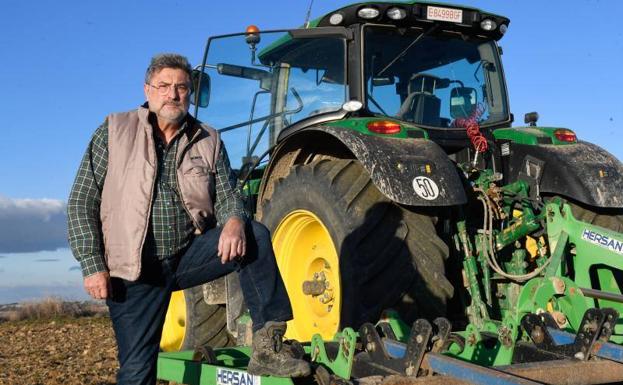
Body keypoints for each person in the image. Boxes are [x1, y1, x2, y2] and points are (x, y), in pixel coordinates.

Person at [67, 53, 310, 385]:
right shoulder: (114, 131)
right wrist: (92, 263)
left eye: (181, 87)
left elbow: (227, 195)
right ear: (148, 89)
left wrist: (235, 221)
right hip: (133, 272)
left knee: (254, 234)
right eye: (164, 86)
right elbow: (82, 202)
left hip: (186, 256)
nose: (173, 94)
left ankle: (268, 346)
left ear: (191, 93)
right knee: (138, 370)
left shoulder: (207, 138)